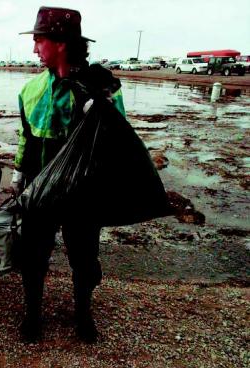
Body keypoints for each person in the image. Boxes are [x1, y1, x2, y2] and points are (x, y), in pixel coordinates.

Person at [12, 7, 169, 343]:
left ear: (60, 43)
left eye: (39, 40)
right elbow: (26, 135)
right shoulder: (30, 90)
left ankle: (84, 313)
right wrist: (17, 174)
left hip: (84, 193)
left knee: (84, 259)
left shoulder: (101, 85)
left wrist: (97, 101)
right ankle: (32, 316)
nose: (34, 48)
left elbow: (118, 137)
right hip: (39, 189)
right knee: (32, 256)